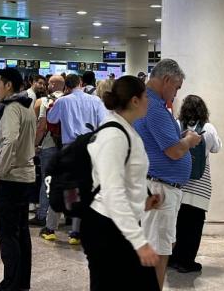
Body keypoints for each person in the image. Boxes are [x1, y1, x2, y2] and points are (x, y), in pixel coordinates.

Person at [82, 75, 160, 291]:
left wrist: (143, 200)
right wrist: (140, 243)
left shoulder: (127, 129)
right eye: (145, 96)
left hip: (119, 226)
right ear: (134, 100)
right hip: (106, 228)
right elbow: (112, 191)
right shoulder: (114, 135)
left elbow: (126, 180)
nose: (148, 101)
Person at [134, 59, 202, 289]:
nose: (176, 93)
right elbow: (173, 151)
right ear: (166, 80)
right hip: (160, 188)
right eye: (177, 87)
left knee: (159, 246)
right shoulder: (154, 108)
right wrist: (190, 140)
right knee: (158, 250)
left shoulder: (148, 104)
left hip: (157, 186)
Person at [43, 73, 106, 244]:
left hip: (69, 147)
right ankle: (76, 233)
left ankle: (50, 229)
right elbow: (104, 121)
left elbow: (51, 118)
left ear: (67, 86)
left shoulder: (63, 101)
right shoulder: (95, 101)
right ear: (80, 83)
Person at [0, 68, 37, 291]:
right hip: (26, 176)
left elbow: (10, 142)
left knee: (7, 233)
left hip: (11, 178)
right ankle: (21, 283)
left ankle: (10, 284)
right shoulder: (27, 107)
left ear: (9, 85)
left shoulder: (11, 109)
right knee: (21, 232)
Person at [168, 94, 221, 274]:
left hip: (178, 184)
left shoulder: (176, 125)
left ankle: (172, 258)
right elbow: (216, 148)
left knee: (176, 224)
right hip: (200, 186)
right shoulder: (208, 128)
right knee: (194, 226)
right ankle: (186, 261)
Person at [32, 74, 64, 227]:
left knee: (47, 181)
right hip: (67, 147)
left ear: (51, 85)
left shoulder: (45, 101)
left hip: (49, 145)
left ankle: (43, 214)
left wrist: (34, 145)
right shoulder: (69, 100)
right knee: (67, 181)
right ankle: (70, 215)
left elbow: (42, 126)